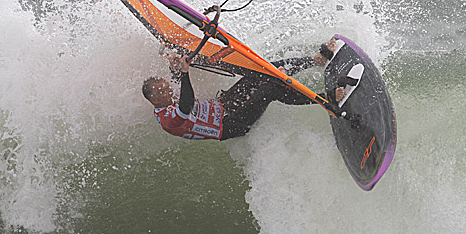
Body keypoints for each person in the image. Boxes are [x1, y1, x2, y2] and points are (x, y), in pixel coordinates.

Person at [142, 40, 344, 141]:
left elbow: (178, 82)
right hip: (231, 125)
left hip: (225, 105)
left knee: (262, 71)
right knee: (270, 88)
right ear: (155, 100)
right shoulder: (168, 120)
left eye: (167, 87)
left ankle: (316, 60)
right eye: (165, 91)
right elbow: (186, 105)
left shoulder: (167, 97)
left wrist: (176, 67)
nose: (170, 91)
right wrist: (185, 73)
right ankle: (326, 99)